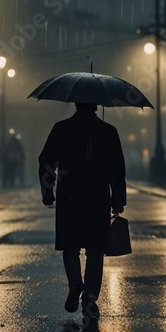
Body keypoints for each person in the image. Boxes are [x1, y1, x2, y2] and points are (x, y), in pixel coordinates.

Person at [39, 102, 126, 319]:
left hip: (70, 196)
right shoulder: (108, 131)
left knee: (71, 246)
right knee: (96, 250)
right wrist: (118, 200)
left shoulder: (61, 128)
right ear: (97, 105)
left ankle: (76, 284)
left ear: (75, 104)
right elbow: (118, 170)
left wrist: (47, 191)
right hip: (97, 197)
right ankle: (89, 297)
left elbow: (46, 161)